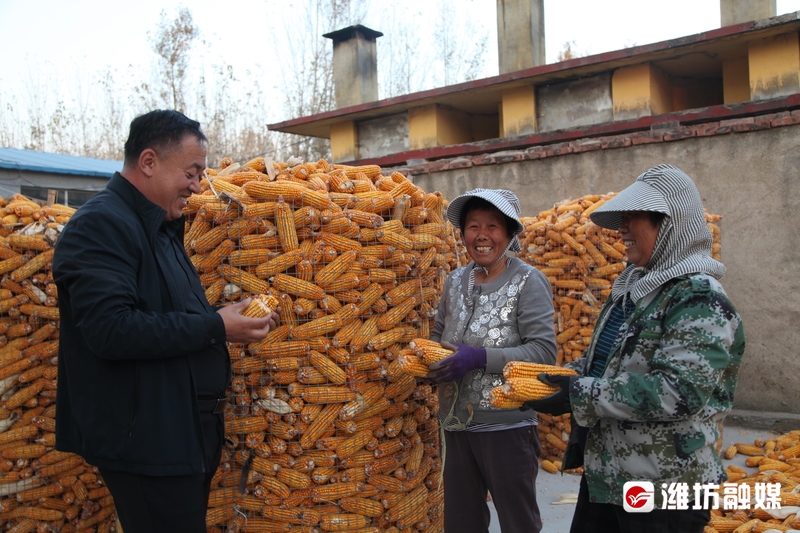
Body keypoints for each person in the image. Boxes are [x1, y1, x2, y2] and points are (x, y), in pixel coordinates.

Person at [53, 109, 280, 533]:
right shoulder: (102, 225)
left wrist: (228, 319)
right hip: (146, 442)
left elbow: (166, 318)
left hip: (179, 433)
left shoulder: (159, 228)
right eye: (192, 173)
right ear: (150, 162)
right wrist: (217, 327)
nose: (197, 187)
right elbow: (111, 330)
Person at [522, 164, 745, 533]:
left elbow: (678, 392)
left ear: (669, 224)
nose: (621, 229)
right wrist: (555, 380)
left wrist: (578, 393)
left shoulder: (698, 297)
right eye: (621, 219)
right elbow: (609, 365)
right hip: (609, 477)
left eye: (632, 218)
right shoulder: (634, 288)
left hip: (665, 488)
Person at [427, 188, 557, 533]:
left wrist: (479, 358)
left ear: (510, 233)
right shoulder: (455, 281)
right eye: (473, 226)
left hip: (507, 428)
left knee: (518, 523)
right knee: (461, 523)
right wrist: (429, 364)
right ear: (463, 234)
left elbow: (544, 353)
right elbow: (438, 333)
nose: (481, 236)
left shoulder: (528, 282)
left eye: (493, 226)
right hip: (456, 425)